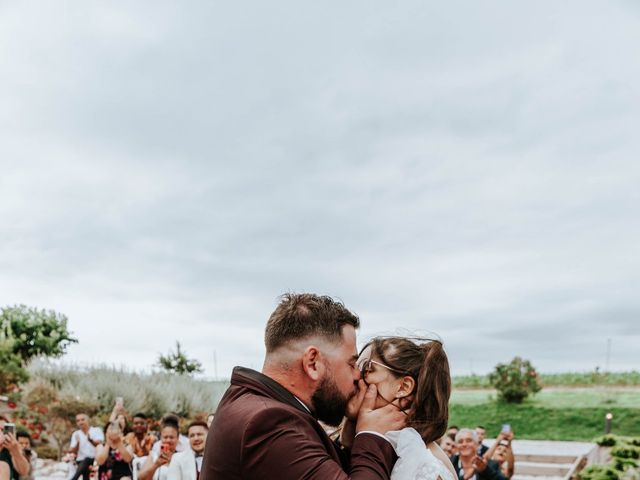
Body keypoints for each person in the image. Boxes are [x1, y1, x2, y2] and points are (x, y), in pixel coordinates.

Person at [201, 293, 407, 479]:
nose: (357, 375)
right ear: (313, 363)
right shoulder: (268, 424)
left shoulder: (254, 405)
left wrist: (351, 436)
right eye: (351, 364)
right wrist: (372, 436)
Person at [352, 336, 455, 480]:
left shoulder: (423, 465)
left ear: (404, 387)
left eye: (366, 368)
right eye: (354, 366)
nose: (355, 376)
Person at [68, 414, 105, 480]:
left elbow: (100, 444)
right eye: (78, 421)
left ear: (88, 420)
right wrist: (78, 443)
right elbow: (71, 450)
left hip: (94, 459)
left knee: (86, 461)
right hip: (80, 461)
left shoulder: (96, 430)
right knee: (84, 466)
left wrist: (90, 440)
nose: (80, 422)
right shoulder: (76, 434)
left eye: (82, 420)